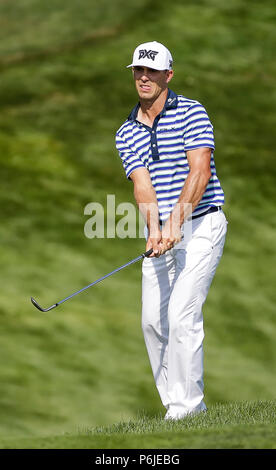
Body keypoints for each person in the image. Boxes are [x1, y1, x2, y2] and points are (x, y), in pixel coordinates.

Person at [115, 41, 227, 420]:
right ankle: (173, 409)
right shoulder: (126, 131)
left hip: (202, 223)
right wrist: (155, 230)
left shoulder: (192, 112)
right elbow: (142, 186)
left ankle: (189, 409)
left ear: (168, 75)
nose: (143, 78)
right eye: (138, 71)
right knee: (152, 322)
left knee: (181, 315)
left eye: (152, 71)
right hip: (163, 232)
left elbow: (200, 170)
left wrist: (175, 222)